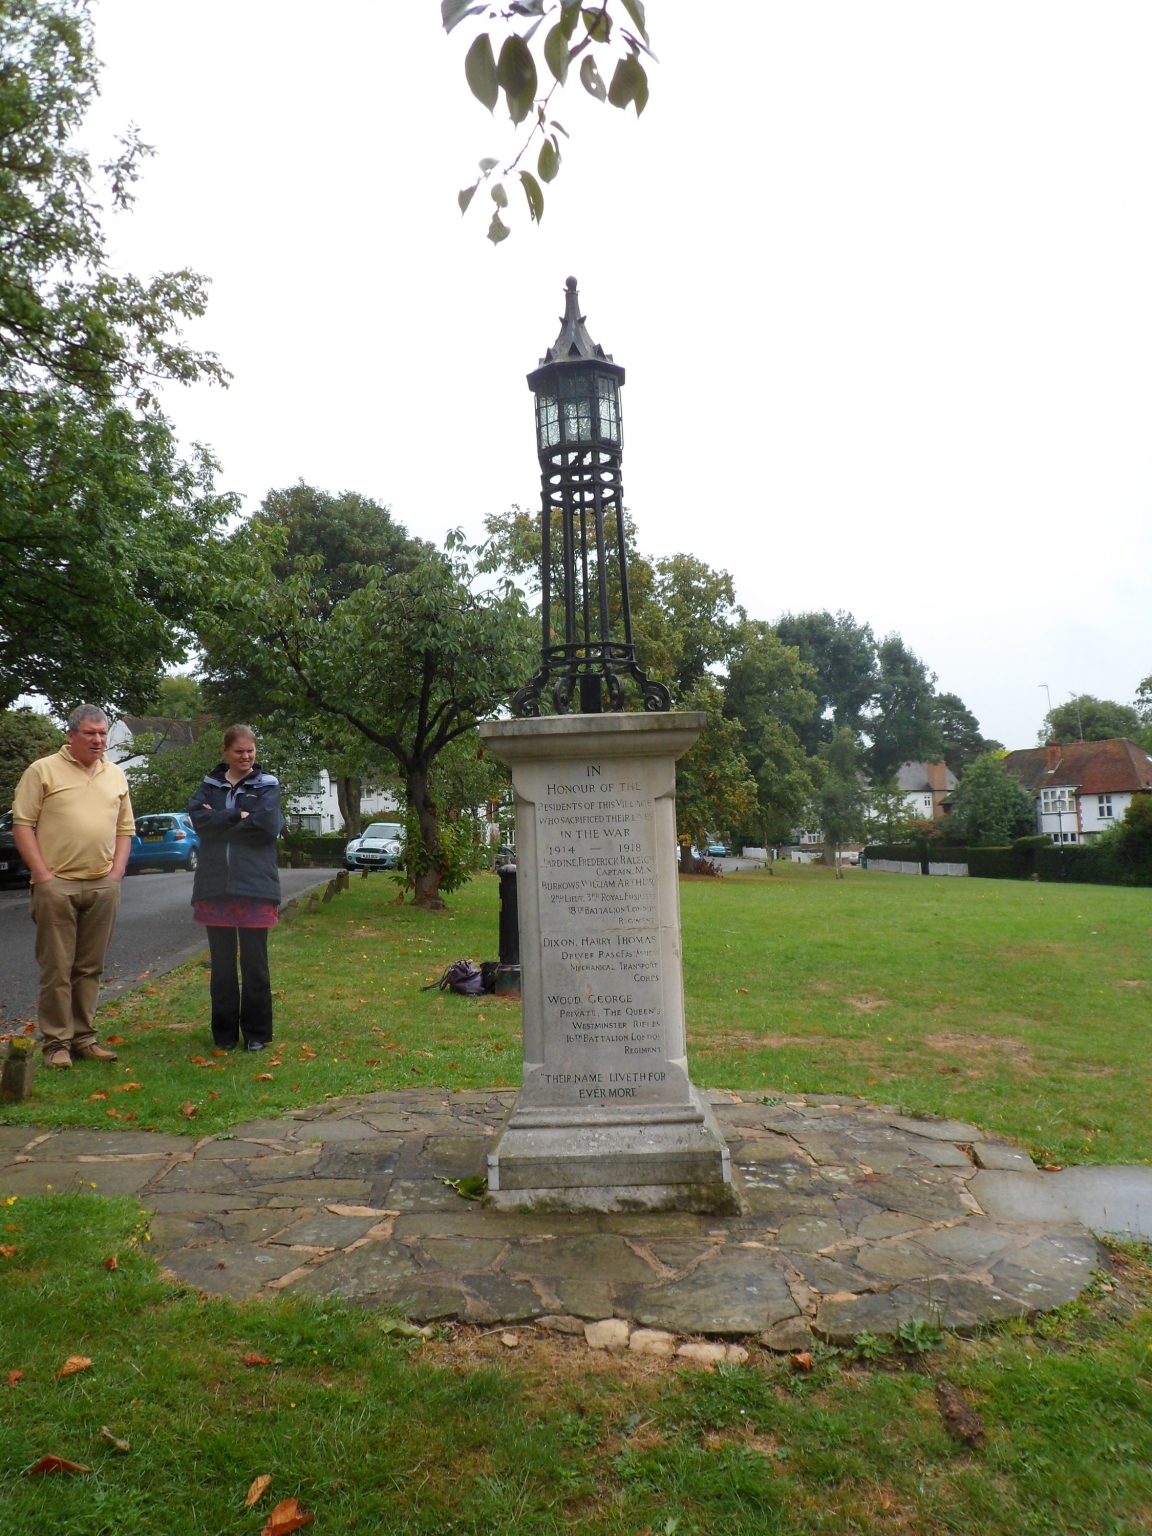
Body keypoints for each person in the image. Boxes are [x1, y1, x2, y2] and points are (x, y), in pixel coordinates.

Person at [11, 704, 133, 1069]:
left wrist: (116, 873)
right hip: (57, 885)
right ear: (71, 735)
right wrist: (43, 876)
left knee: (89, 967)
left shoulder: (115, 775)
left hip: (102, 884)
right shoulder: (42, 770)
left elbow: (125, 829)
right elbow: (22, 825)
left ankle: (84, 1038)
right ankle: (56, 1044)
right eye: (90, 733)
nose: (98, 740)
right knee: (57, 968)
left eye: (102, 734)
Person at [187, 725, 284, 1052]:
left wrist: (222, 821)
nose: (246, 757)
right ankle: (224, 1035)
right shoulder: (209, 785)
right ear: (226, 751)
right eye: (239, 751)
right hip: (215, 887)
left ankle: (257, 1034)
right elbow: (198, 821)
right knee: (223, 967)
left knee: (255, 965)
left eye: (250, 751)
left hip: (256, 886)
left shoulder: (267, 784)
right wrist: (239, 815)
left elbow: (268, 826)